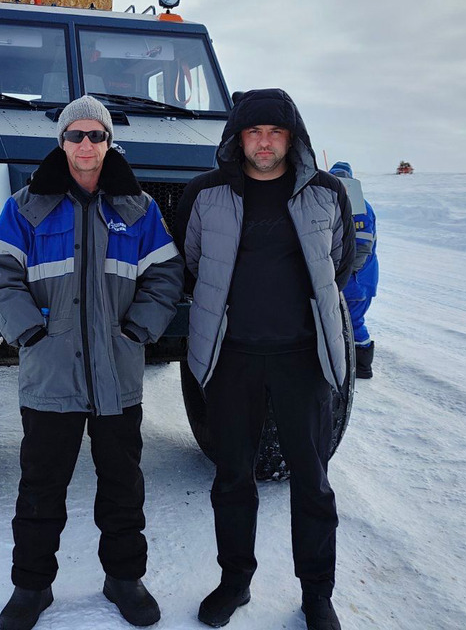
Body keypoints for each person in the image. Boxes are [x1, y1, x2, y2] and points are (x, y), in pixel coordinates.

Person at [0, 95, 183, 630]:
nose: (86, 145)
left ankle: (124, 579)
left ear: (109, 142)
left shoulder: (139, 209)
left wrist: (140, 329)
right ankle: (32, 587)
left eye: (96, 135)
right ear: (61, 142)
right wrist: (29, 331)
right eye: (76, 136)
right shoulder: (26, 206)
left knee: (123, 485)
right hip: (51, 375)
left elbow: (165, 274)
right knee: (41, 487)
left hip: (117, 377)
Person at [174, 88, 355, 630]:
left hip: (303, 360)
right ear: (238, 138)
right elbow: (192, 262)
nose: (265, 142)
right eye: (254, 132)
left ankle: (317, 594)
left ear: (292, 137)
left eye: (275, 132)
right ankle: (235, 581)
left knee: (312, 481)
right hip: (232, 360)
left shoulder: (325, 193)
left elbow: (339, 265)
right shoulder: (205, 195)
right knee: (233, 478)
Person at [328, 162, 379, 379]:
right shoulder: (337, 203)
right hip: (355, 278)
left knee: (353, 321)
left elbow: (362, 247)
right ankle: (348, 362)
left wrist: (343, 274)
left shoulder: (360, 207)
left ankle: (362, 366)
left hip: (356, 280)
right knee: (342, 321)